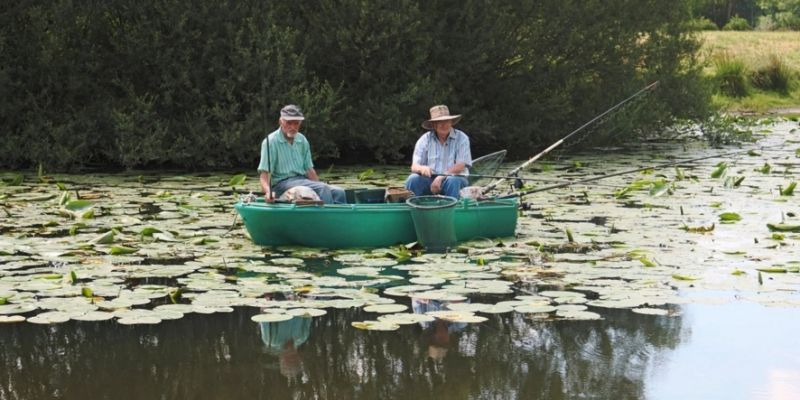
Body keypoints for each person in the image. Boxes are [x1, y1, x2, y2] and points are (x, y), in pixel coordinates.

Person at [258, 104, 346, 204]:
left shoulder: (302, 139)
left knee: (339, 192)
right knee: (323, 188)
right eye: (289, 123)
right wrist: (269, 193)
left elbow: (309, 170)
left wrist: (319, 185)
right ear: (280, 122)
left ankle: (340, 217)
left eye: (296, 123)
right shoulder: (270, 142)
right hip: (281, 184)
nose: (293, 127)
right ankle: (329, 218)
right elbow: (264, 175)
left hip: (302, 180)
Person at [405, 105, 472, 198]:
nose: (444, 125)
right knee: (413, 179)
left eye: (446, 121)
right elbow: (414, 166)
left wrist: (440, 178)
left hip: (454, 178)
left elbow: (460, 166)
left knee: (453, 181)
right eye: (439, 122)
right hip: (429, 179)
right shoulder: (424, 139)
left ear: (451, 122)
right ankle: (416, 208)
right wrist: (422, 168)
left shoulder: (462, 138)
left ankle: (451, 210)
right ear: (433, 125)